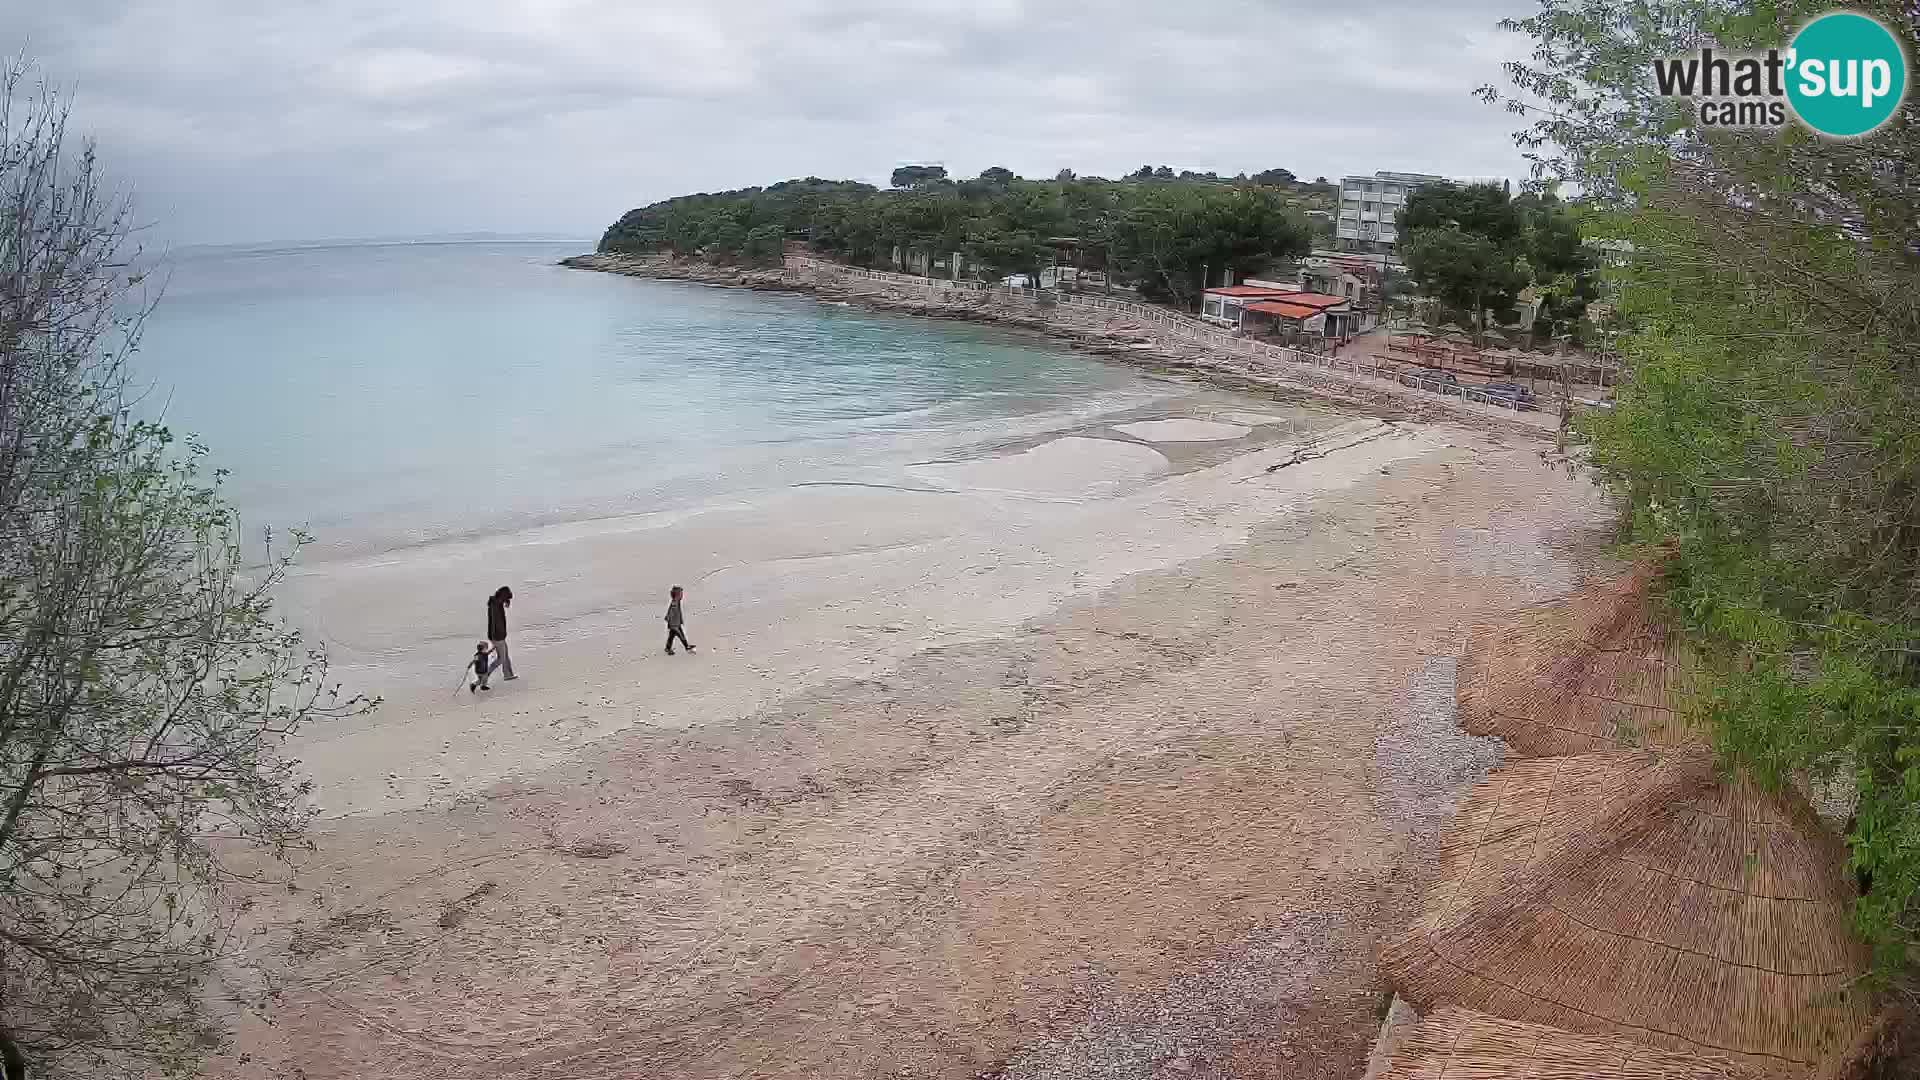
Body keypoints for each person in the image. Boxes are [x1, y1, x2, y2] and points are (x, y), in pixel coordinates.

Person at [486, 586, 517, 680]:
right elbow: (496, 623)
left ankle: (508, 674)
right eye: (506, 598)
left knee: (505, 655)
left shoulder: (496, 603)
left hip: (498, 635)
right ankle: (485, 674)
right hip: (497, 636)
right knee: (501, 658)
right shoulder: (495, 606)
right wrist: (499, 637)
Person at [665, 585, 694, 655]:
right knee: (681, 635)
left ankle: (668, 648)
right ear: (677, 595)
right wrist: (670, 622)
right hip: (674, 624)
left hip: (676, 623)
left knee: (671, 636)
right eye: (681, 594)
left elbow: (675, 613)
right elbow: (671, 613)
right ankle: (687, 647)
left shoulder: (677, 602)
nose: (682, 595)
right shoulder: (675, 603)